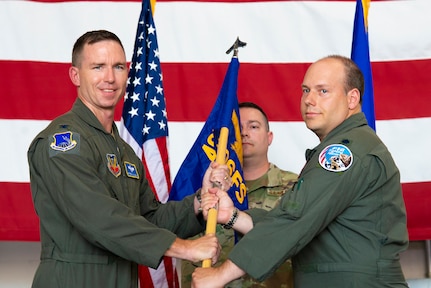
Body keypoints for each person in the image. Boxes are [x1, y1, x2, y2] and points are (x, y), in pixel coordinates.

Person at [27, 30, 229, 288]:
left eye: (118, 67)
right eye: (98, 67)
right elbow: (100, 218)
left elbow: (150, 218)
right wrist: (185, 249)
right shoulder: (63, 142)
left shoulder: (125, 152)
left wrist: (200, 202)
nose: (109, 78)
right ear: (75, 75)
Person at [192, 55, 409, 288]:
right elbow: (309, 226)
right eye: (306, 90)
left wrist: (220, 275)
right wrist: (234, 216)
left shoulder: (345, 151)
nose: (309, 100)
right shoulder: (347, 145)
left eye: (323, 91)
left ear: (352, 98)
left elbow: (295, 220)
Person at [181, 102, 298, 287]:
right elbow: (191, 261)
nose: (244, 133)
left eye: (253, 126)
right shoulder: (207, 192)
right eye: (238, 128)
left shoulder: (296, 187)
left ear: (269, 137)